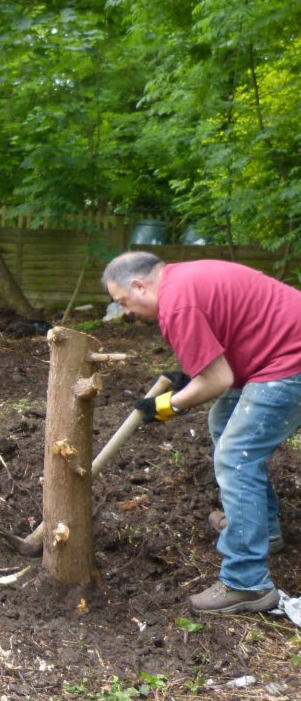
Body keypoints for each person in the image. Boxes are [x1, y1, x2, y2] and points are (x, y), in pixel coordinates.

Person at [102, 251, 301, 614]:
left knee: (236, 456)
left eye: (123, 303)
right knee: (222, 424)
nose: (127, 313)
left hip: (290, 361)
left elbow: (217, 380)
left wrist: (166, 406)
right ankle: (261, 530)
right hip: (274, 357)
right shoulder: (185, 280)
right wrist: (186, 379)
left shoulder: (176, 305)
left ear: (138, 285)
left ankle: (246, 583)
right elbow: (220, 352)